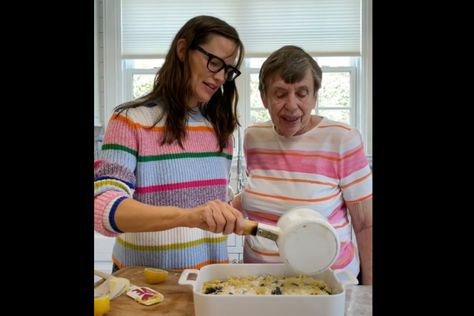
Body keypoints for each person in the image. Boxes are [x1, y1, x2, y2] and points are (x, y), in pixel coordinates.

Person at [94, 15, 246, 272]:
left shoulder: (220, 130)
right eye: (214, 63)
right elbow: (104, 207)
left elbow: (211, 202)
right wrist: (189, 217)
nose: (221, 77)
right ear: (183, 50)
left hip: (210, 282)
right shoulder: (130, 121)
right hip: (142, 286)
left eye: (228, 70)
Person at [231, 45, 372, 284]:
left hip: (328, 284)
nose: (292, 104)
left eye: (302, 92)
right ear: (264, 98)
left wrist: (369, 293)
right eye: (280, 93)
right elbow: (265, 194)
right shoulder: (254, 137)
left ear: (315, 96)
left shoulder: (342, 139)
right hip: (260, 284)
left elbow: (366, 224)